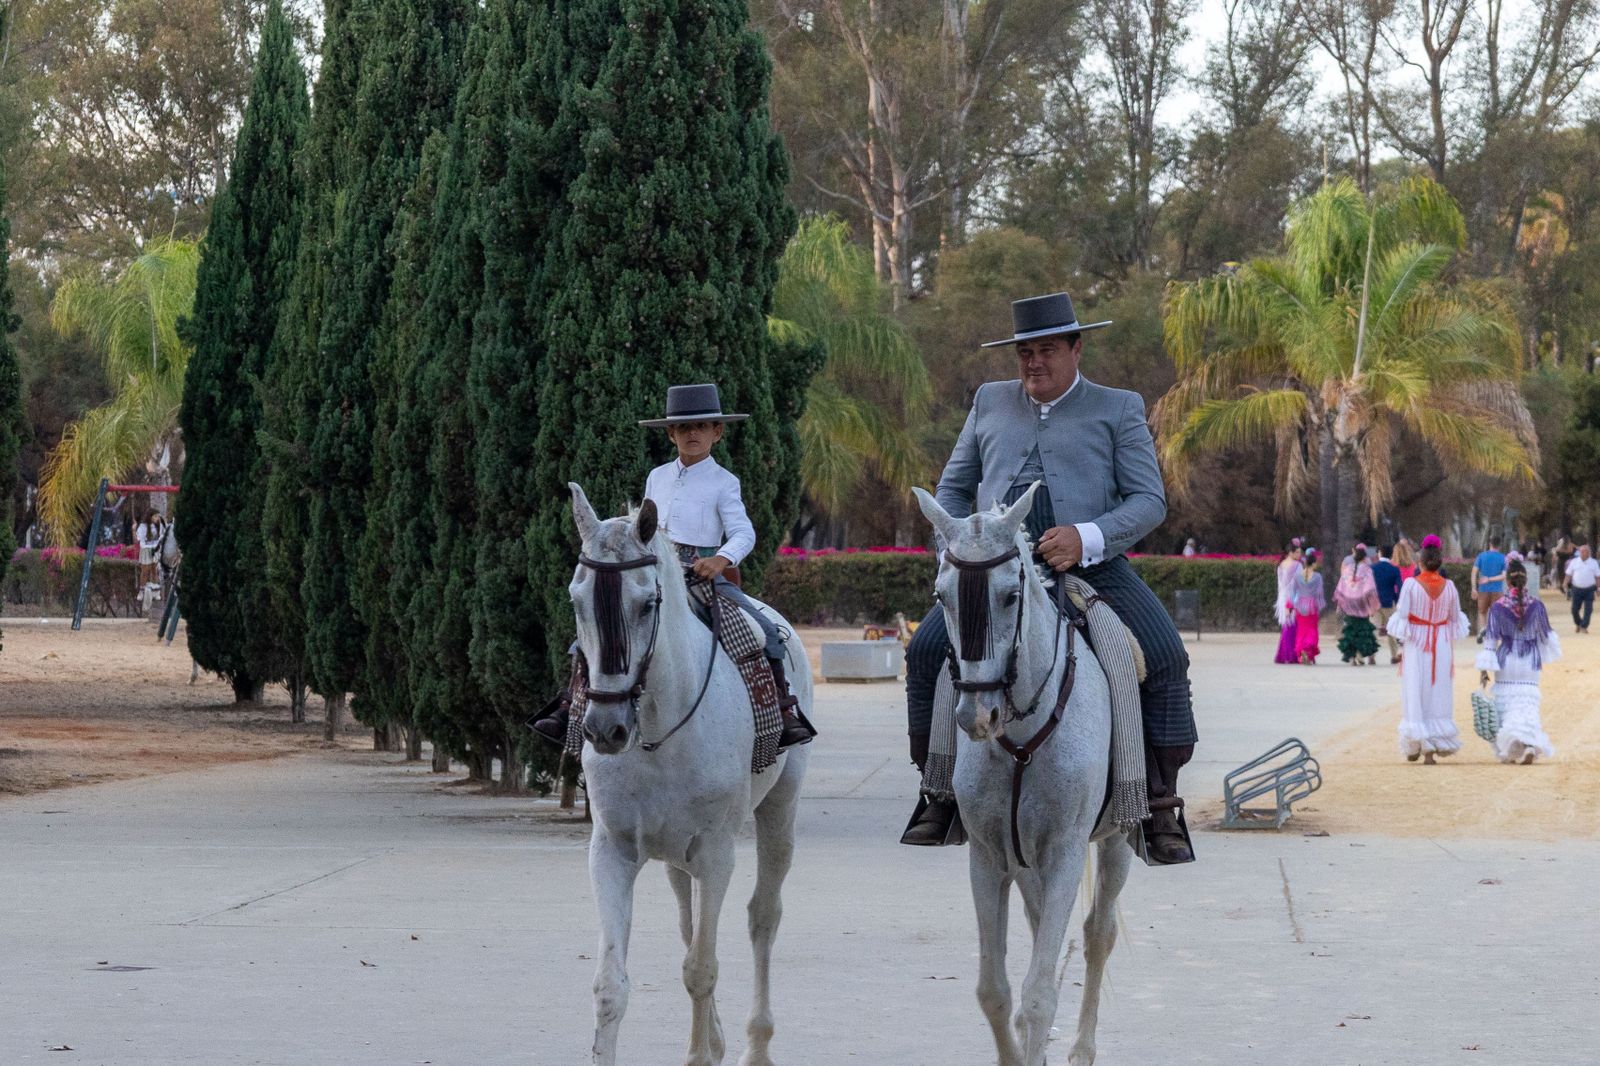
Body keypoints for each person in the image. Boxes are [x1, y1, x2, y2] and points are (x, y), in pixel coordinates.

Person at [900, 291, 1198, 864]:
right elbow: (953, 488)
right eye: (1024, 353)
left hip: (1090, 564)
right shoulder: (990, 401)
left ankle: (1159, 803)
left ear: (1076, 348)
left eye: (1046, 351)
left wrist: (1085, 536)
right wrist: (968, 541)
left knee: (1163, 655)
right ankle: (938, 793)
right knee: (926, 651)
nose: (1033, 362)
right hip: (995, 569)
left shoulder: (1118, 407)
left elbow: (1148, 501)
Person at [533, 383, 816, 750]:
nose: (692, 433)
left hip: (701, 576)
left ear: (718, 432)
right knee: (591, 634)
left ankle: (780, 710)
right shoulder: (657, 477)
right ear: (671, 433)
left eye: (701, 426)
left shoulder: (724, 482)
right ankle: (570, 707)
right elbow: (644, 528)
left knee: (763, 631)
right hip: (652, 574)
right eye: (684, 427)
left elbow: (744, 533)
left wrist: (721, 559)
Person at [1384, 536, 1469, 764]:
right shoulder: (1449, 586)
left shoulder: (1411, 585)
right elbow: (1455, 618)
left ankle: (1415, 744)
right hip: (1440, 644)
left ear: (1420, 562)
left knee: (1415, 690)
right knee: (1438, 692)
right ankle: (1432, 747)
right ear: (1439, 564)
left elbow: (1402, 616)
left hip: (1417, 643)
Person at [1475, 560, 1557, 765]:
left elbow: (1490, 642)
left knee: (1508, 705)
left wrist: (1484, 669)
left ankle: (1514, 745)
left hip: (1507, 661)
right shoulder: (1537, 606)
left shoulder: (1497, 608)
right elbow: (1546, 638)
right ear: (1525, 580)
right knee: (1527, 705)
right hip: (1530, 662)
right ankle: (1528, 744)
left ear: (1507, 583)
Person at [1334, 545, 1380, 665]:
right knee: (1363, 629)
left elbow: (1341, 587)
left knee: (1351, 629)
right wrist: (1373, 606)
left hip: (1349, 603)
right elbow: (1370, 589)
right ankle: (1361, 654)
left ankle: (1352, 656)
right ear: (1364, 557)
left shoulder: (1348, 569)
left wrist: (1341, 603)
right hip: (1362, 604)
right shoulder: (1367, 570)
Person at [1370, 546, 1403, 664]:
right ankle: (1394, 655)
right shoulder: (1394, 570)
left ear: (1380, 553)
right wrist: (1397, 599)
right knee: (1391, 630)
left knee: (1373, 629)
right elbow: (1400, 588)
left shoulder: (1372, 568)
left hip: (1374, 602)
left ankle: (1371, 655)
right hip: (1388, 602)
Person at [1291, 549, 1325, 664]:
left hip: (1300, 606)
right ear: (1314, 563)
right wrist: (1320, 604)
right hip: (1312, 606)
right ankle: (1308, 651)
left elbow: (1293, 592)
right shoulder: (1317, 576)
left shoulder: (1297, 576)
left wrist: (1292, 605)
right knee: (1312, 630)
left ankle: (1302, 651)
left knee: (1301, 630)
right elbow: (1319, 592)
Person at [1274, 539, 1305, 664]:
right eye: (1297, 552)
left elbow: (1280, 585)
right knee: (1293, 627)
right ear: (1291, 552)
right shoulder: (1298, 565)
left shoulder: (1281, 564)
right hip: (1294, 597)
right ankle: (1292, 654)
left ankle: (1284, 654)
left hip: (1283, 597)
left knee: (1287, 627)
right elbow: (1300, 583)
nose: (1299, 555)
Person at [1472, 535, 1508, 641]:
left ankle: (1482, 630)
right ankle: (1493, 635)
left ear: (1490, 544)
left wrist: (1474, 588)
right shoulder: (1503, 558)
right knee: (1495, 613)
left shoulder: (1481, 556)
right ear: (1499, 545)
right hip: (1497, 590)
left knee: (1482, 612)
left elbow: (1474, 572)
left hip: (1483, 590)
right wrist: (1490, 579)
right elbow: (1504, 575)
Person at [1564, 544, 1599, 633]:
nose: (1582, 553)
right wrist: (1565, 583)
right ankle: (1578, 623)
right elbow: (1568, 574)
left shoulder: (1594, 562)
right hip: (1576, 588)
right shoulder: (1574, 562)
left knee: (1588, 609)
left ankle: (1584, 626)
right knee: (1574, 609)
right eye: (1581, 552)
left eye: (1584, 552)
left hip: (1589, 589)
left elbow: (1597, 577)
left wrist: (1598, 588)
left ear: (1589, 553)